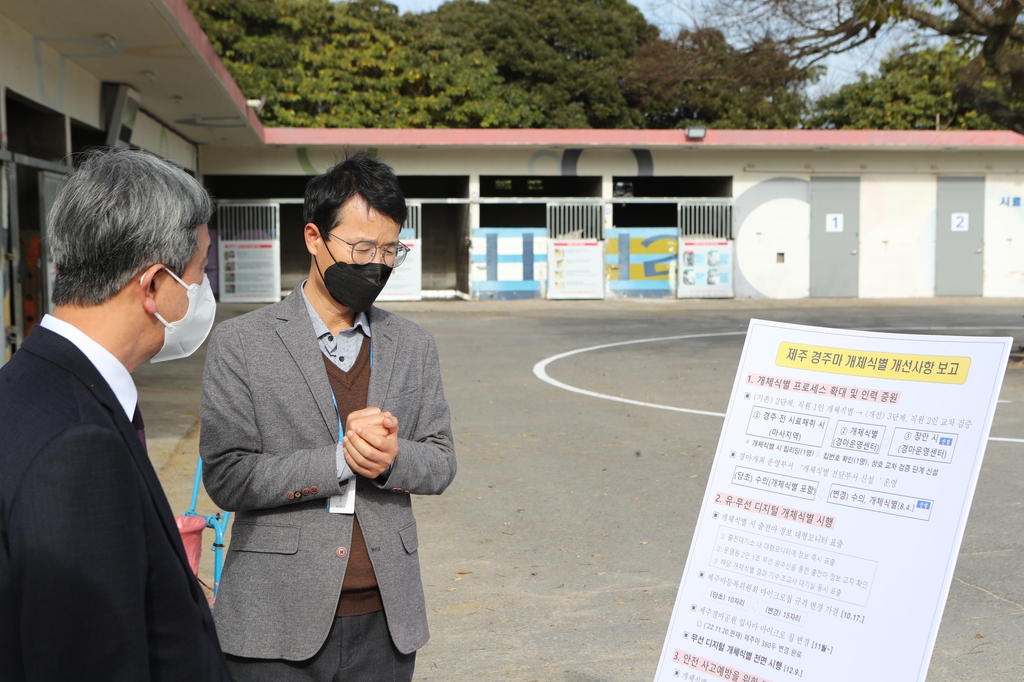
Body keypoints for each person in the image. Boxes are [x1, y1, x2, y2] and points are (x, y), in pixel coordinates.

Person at [200, 153, 456, 681]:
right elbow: (227, 476)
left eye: (390, 251)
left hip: (386, 624)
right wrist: (337, 461)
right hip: (273, 625)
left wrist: (392, 459)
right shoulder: (241, 344)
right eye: (361, 248)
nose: (376, 265)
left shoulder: (413, 345)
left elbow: (441, 461)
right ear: (314, 237)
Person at [0, 150, 231, 680]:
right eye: (198, 271)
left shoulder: (27, 387)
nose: (202, 291)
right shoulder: (79, 445)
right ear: (152, 286)